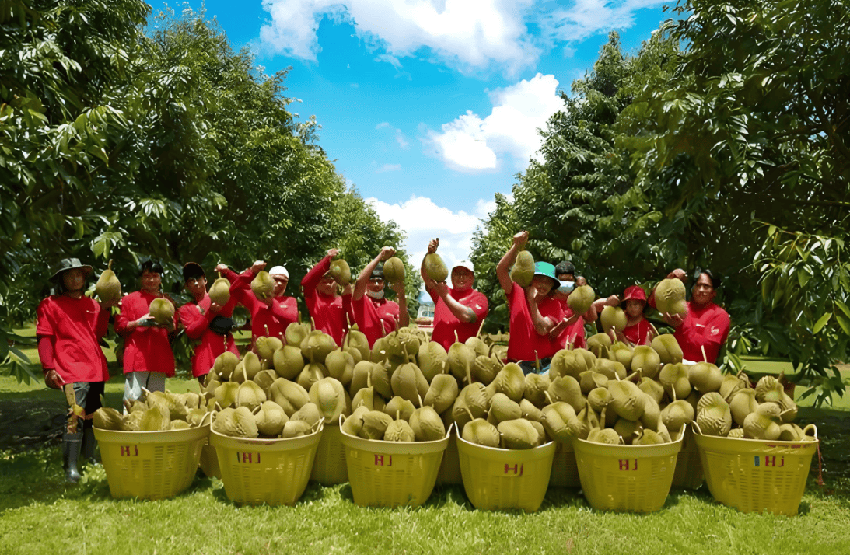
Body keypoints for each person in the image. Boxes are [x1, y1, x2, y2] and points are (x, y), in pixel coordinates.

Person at [36, 258, 117, 483]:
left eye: (79, 274)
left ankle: (89, 457)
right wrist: (48, 368)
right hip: (70, 368)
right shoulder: (49, 304)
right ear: (61, 278)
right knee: (75, 416)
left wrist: (107, 309)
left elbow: (98, 333)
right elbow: (44, 337)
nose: (76, 278)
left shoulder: (93, 305)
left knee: (92, 415)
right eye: (70, 274)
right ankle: (70, 466)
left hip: (95, 367)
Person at [497, 232, 576, 374]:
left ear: (552, 286)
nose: (543, 285)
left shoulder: (554, 305)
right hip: (516, 366)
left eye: (548, 282)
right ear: (530, 279)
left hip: (543, 367)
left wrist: (532, 303)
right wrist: (517, 246)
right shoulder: (516, 292)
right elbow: (501, 270)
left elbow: (542, 329)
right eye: (539, 279)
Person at [114, 260, 177, 404]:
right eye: (147, 276)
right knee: (133, 399)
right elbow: (120, 326)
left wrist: (168, 325)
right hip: (138, 356)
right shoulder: (129, 300)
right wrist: (138, 323)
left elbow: (174, 328)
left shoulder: (167, 301)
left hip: (159, 356)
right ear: (141, 279)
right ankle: (131, 426)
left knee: (157, 400)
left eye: (155, 276)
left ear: (160, 278)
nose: (151, 280)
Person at [177, 262, 241, 384]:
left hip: (228, 357)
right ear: (186, 286)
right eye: (191, 281)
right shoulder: (186, 309)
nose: (196, 283)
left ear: (205, 280)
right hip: (204, 363)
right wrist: (209, 313)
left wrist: (228, 272)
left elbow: (240, 287)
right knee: (208, 401)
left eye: (198, 279)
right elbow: (192, 332)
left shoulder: (220, 295)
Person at [420, 239, 489, 351]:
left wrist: (445, 296)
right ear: (451, 276)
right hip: (436, 357)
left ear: (472, 278)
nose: (461, 277)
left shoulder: (479, 298)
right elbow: (427, 277)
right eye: (457, 273)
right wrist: (429, 255)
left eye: (465, 274)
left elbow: (466, 316)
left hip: (462, 361)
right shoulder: (443, 291)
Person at [652, 268, 730, 363]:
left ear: (713, 292)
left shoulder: (720, 315)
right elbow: (654, 302)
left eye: (706, 286)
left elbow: (706, 348)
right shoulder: (683, 307)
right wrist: (670, 278)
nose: (701, 290)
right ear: (693, 288)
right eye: (698, 285)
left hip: (700, 370)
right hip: (675, 367)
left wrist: (681, 327)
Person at [222, 260, 299, 347]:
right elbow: (234, 289)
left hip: (281, 354)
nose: (280, 283)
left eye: (283, 280)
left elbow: (292, 320)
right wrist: (251, 271)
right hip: (258, 353)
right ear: (268, 280)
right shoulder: (255, 298)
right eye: (276, 279)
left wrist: (272, 304)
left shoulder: (291, 300)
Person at [351, 246, 409, 348]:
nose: (376, 284)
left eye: (379, 281)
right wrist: (380, 257)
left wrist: (402, 296)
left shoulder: (393, 305)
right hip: (367, 358)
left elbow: (404, 326)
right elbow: (359, 282)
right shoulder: (361, 302)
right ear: (367, 283)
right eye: (372, 281)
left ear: (384, 283)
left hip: (389, 357)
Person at [301, 248, 353, 346]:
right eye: (324, 282)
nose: (328, 285)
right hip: (320, 350)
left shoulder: (344, 299)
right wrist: (327, 260)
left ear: (337, 283)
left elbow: (353, 321)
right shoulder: (314, 300)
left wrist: (348, 295)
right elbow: (306, 283)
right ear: (316, 285)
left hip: (342, 351)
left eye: (331, 281)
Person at [553, 261, 597, 349]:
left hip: (579, 351)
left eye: (569, 280)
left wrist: (585, 290)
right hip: (557, 354)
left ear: (574, 281)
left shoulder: (577, 300)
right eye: (562, 280)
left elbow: (592, 318)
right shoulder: (550, 300)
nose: (566, 283)